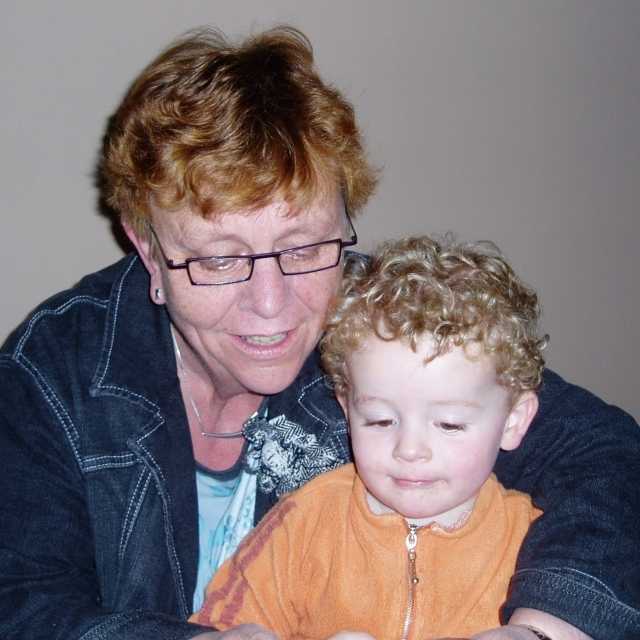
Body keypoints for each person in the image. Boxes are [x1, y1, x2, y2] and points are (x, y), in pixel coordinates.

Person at [0, 24, 638, 640]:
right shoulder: (52, 375)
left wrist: (543, 631)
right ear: (148, 248)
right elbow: (20, 600)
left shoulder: (383, 326)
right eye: (219, 259)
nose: (271, 305)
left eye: (304, 248)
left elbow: (606, 456)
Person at [191, 234, 551, 639]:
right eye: (380, 421)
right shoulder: (304, 521)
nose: (409, 450)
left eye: (449, 424)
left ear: (513, 421)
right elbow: (218, 624)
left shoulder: (536, 542)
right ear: (347, 408)